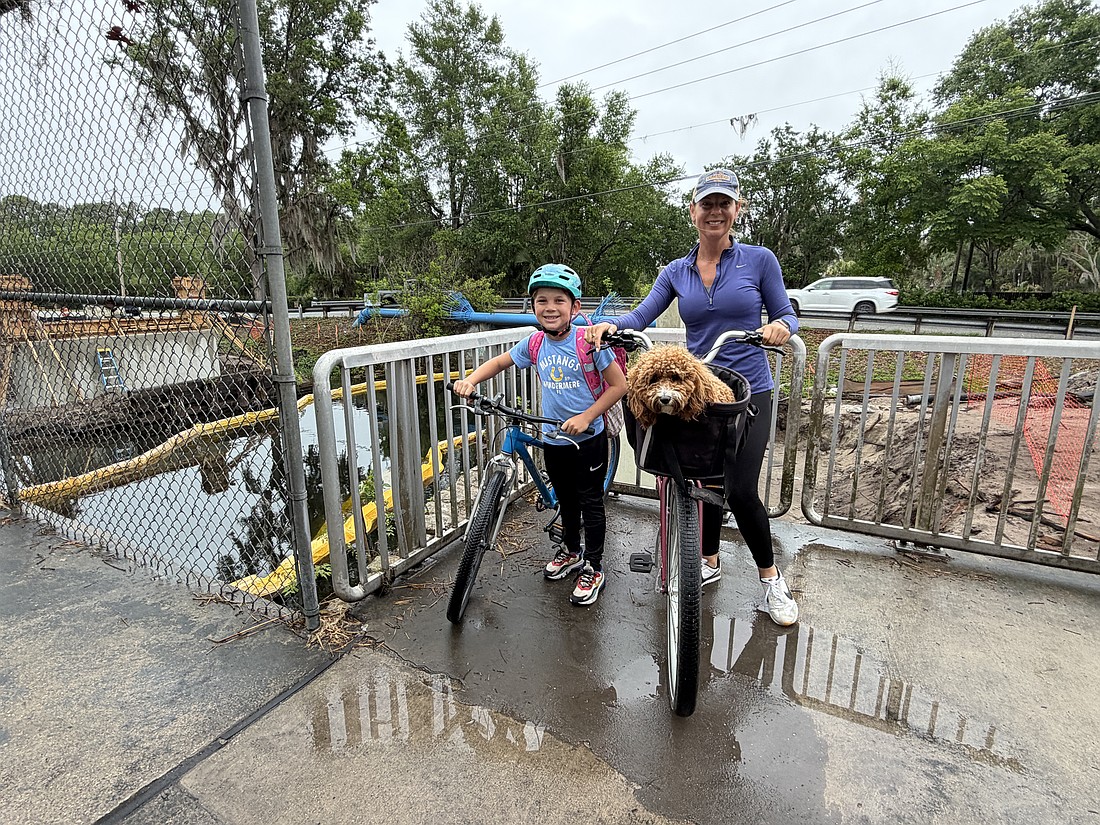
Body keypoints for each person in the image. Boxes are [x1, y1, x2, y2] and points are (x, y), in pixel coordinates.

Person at [585, 167, 800, 626]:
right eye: (708, 204)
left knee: (741, 490)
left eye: (724, 203)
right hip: (699, 392)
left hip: (748, 391)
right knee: (697, 481)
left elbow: (785, 311)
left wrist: (782, 327)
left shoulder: (759, 260)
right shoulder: (676, 271)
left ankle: (770, 579)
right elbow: (642, 314)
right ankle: (707, 560)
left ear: (736, 211)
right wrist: (612, 327)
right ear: (693, 212)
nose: (715, 211)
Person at [452, 264, 627, 606]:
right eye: (541, 300)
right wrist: (471, 380)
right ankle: (573, 552)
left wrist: (587, 416)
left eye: (559, 300)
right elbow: (501, 362)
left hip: (587, 438)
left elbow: (619, 385)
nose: (549, 307)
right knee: (566, 499)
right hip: (552, 437)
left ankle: (593, 565)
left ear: (575, 308)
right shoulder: (534, 343)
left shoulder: (588, 343)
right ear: (532, 307)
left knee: (591, 502)